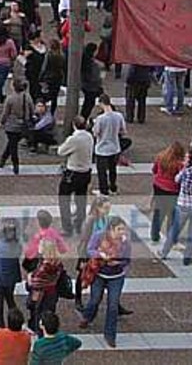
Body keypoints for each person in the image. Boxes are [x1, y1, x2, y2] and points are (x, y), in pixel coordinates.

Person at [79, 216, 132, 348]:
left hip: (117, 276)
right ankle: (88, 316)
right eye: (119, 229)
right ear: (111, 229)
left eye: (123, 229)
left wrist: (120, 264)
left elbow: (127, 260)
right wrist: (101, 255)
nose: (122, 232)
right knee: (94, 299)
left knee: (113, 305)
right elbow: (89, 250)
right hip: (99, 274)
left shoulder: (125, 242)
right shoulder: (99, 236)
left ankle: (110, 335)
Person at [55, 115, 93, 236]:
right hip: (86, 172)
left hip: (73, 173)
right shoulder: (89, 136)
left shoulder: (74, 139)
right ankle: (79, 224)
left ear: (74, 125)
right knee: (81, 199)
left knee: (64, 198)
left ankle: (67, 227)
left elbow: (61, 151)